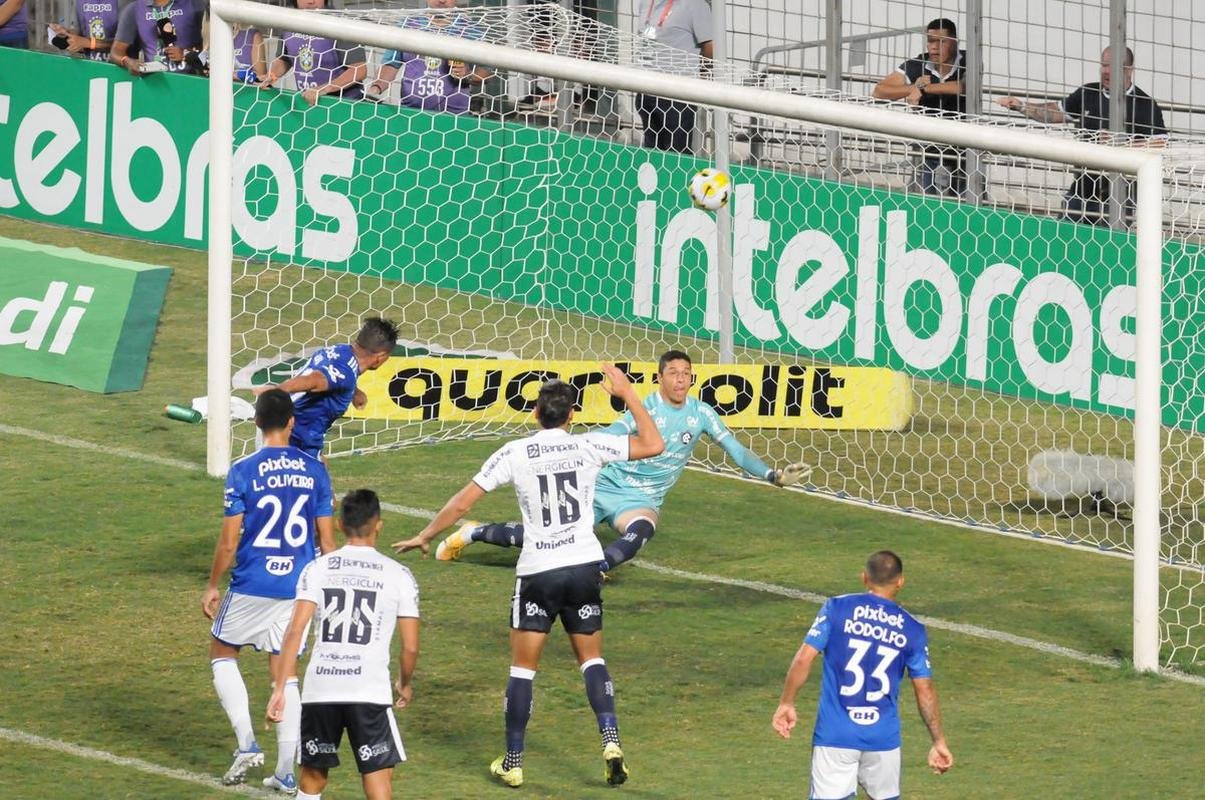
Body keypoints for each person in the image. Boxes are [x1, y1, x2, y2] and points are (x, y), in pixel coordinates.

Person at [393, 366, 665, 787]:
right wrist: (628, 394)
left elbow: (463, 504)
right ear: (572, 415)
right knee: (591, 660)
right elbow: (654, 443)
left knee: (523, 670)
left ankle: (514, 762)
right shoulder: (590, 444)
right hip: (584, 566)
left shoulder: (514, 453)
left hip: (538, 571)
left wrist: (426, 534)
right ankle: (611, 741)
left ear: (535, 413)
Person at [433, 350, 811, 574]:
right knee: (547, 538)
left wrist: (772, 475)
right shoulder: (644, 408)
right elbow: (612, 433)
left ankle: (598, 570)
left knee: (642, 530)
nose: (680, 380)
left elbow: (736, 450)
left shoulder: (702, 414)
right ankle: (472, 532)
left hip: (640, 499)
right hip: (605, 485)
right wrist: (570, 449)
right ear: (660, 378)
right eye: (673, 373)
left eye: (686, 374)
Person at [202, 389, 336, 790]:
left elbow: (229, 542)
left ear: (257, 423)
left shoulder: (243, 470)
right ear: (292, 422)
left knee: (222, 652)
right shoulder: (315, 470)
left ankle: (246, 743)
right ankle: (285, 772)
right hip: (298, 586)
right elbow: (328, 542)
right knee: (285, 672)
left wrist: (212, 584)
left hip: (253, 582)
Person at [267, 489, 420, 800]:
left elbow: (295, 630)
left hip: (321, 688)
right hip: (369, 690)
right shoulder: (399, 575)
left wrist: (280, 688)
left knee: (312, 777)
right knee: (377, 779)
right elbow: (410, 647)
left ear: (339, 525)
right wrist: (404, 683)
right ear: (379, 525)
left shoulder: (317, 568)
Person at [772, 551, 953, 800]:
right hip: (883, 738)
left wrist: (787, 702)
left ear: (865, 577)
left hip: (835, 734)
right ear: (900, 582)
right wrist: (938, 741)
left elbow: (804, 658)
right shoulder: (912, 629)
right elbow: (925, 688)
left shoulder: (836, 609)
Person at [997, 46, 1168, 225]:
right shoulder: (1088, 93)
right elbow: (1055, 112)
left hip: (1120, 196)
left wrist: (1118, 144)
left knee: (1109, 240)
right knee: (1063, 235)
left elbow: (1160, 145)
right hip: (1082, 189)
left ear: (1129, 70)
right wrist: (1022, 106)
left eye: (1113, 67)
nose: (1106, 71)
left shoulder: (1145, 105)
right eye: (1104, 65)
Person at [256, 317, 399, 459]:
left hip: (292, 432)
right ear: (380, 356)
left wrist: (355, 392)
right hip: (289, 440)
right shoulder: (345, 372)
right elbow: (314, 380)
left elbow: (334, 377)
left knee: (322, 467)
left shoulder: (340, 351)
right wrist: (277, 391)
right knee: (315, 471)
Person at [873, 18, 967, 198]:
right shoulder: (918, 64)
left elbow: (962, 87)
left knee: (967, 201)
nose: (934, 47)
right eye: (930, 41)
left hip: (965, 148)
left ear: (955, 42)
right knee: (926, 201)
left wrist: (923, 89)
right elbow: (879, 91)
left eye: (941, 41)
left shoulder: (969, 60)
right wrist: (912, 88)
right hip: (929, 149)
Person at [364, 0, 489, 113]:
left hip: (455, 117)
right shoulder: (408, 26)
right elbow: (391, 64)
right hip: (411, 113)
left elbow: (486, 73)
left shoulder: (470, 30)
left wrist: (468, 75)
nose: (442, 1)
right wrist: (376, 88)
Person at [633, 0, 714, 153]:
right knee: (651, 153)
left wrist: (702, 75)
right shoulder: (645, 3)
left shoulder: (695, 5)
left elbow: (710, 47)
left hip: (677, 96)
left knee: (676, 153)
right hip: (646, 91)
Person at [261, 0, 368, 106]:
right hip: (308, 100)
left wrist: (323, 89)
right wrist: (271, 76)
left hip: (344, 103)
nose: (311, 2)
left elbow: (360, 70)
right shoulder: (288, 24)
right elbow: (284, 59)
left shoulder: (340, 24)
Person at [110, 0, 206, 76]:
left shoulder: (194, 4)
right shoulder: (134, 9)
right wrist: (128, 62)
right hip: (154, 82)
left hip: (189, 81)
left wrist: (186, 54)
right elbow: (115, 53)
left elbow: (209, 53)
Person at [49, 0, 129, 62]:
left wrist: (90, 43)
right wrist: (66, 33)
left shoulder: (124, 2)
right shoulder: (79, 2)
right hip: (90, 66)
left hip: (120, 69)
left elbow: (128, 42)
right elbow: (78, 33)